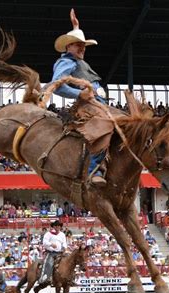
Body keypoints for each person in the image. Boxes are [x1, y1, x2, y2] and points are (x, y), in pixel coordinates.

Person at [48, 9, 107, 187]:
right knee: (106, 128)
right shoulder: (67, 62)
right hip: (90, 104)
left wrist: (76, 27)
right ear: (68, 47)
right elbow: (56, 85)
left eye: (83, 45)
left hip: (100, 102)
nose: (82, 48)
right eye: (77, 45)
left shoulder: (76, 61)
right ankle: (93, 171)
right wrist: (78, 94)